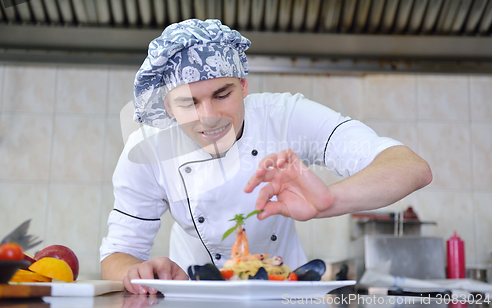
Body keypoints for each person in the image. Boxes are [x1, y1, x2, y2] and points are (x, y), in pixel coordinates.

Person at [100, 19, 432, 294]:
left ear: (243, 85)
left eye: (222, 94)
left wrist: (327, 200)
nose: (209, 117)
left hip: (285, 297)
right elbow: (115, 257)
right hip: (194, 300)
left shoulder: (284, 117)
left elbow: (410, 167)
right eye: (189, 103)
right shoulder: (148, 150)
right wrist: (138, 270)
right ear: (169, 107)